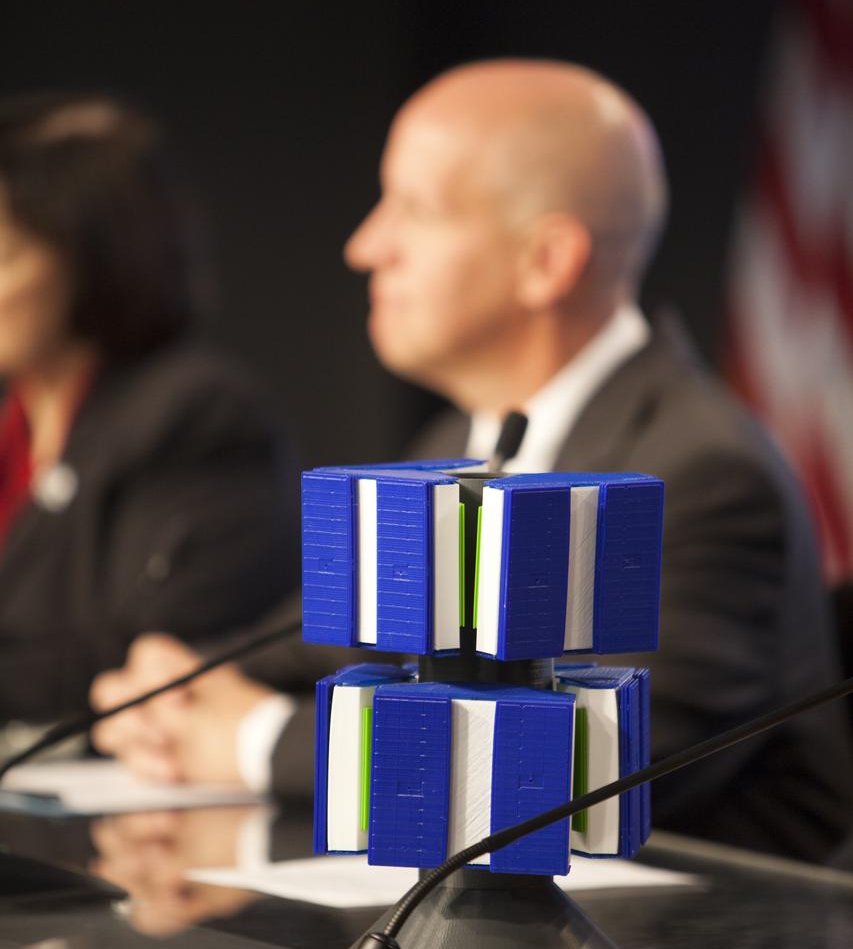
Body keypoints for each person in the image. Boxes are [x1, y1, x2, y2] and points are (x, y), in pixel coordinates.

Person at [91, 60, 853, 861]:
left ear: (545, 262)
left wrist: (255, 739)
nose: (364, 247)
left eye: (410, 209)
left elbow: (585, 772)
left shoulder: (696, 473)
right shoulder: (459, 443)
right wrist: (175, 690)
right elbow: (318, 640)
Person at [0, 92, 298, 727]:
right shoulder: (13, 428)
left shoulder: (193, 413)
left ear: (90, 262)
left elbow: (143, 658)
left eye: (2, 256)